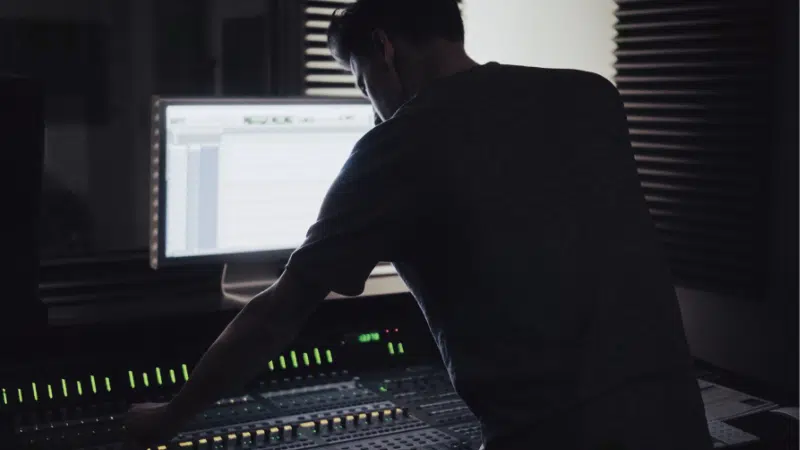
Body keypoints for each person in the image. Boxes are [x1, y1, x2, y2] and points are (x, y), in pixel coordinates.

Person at [124, 0, 713, 448]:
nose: (370, 103)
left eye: (359, 83)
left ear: (383, 48)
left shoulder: (401, 142)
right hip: (677, 420)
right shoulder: (590, 96)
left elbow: (281, 312)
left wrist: (169, 417)